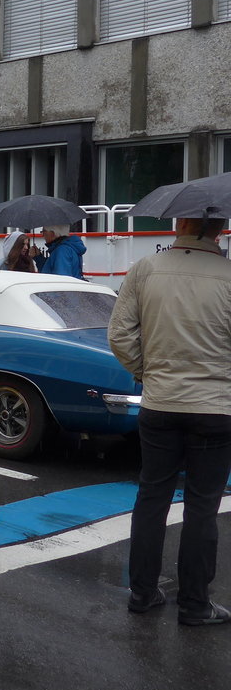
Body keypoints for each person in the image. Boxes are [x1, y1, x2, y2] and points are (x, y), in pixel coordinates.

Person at [108, 216, 231, 625]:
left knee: (152, 498)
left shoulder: (146, 269)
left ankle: (143, 593)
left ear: (179, 222)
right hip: (216, 409)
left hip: (160, 404)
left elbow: (120, 334)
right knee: (202, 506)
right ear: (221, 228)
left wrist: (147, 372)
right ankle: (195, 605)